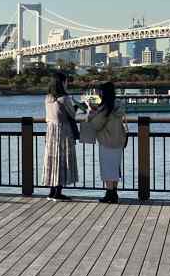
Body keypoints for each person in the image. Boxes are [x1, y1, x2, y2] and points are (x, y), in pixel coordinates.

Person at [85, 82, 126, 204]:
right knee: (115, 168)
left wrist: (90, 111)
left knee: (108, 169)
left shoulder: (105, 108)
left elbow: (96, 125)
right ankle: (114, 193)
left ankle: (109, 194)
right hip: (118, 140)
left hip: (106, 141)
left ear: (103, 93)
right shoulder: (118, 105)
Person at [43, 72, 79, 201]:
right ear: (62, 83)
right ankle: (58, 192)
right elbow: (72, 115)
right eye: (66, 81)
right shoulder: (65, 98)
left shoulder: (48, 98)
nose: (67, 83)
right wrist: (79, 106)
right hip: (63, 131)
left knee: (52, 160)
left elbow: (49, 117)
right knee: (62, 161)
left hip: (51, 131)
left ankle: (51, 191)